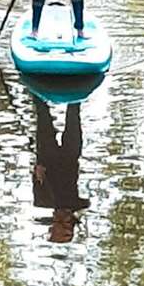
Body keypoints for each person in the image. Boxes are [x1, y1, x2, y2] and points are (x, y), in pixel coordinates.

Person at [32, 99, 88, 242]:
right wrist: (72, 214)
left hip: (47, 156)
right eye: (68, 229)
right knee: (74, 113)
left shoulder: (42, 201)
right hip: (70, 157)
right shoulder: (76, 205)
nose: (65, 226)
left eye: (60, 228)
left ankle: (36, 86)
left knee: (42, 114)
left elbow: (37, 176)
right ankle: (76, 85)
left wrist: (37, 171)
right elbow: (86, 203)